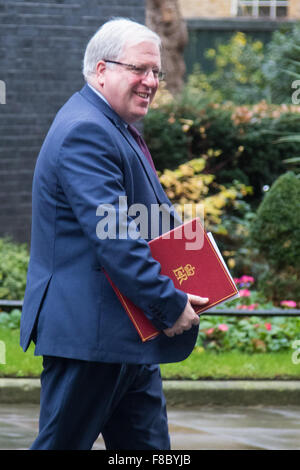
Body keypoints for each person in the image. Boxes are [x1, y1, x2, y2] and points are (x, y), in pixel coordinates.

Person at [20, 18, 209, 450]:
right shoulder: (86, 130)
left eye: (156, 72)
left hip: (124, 333)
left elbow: (147, 220)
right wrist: (168, 301)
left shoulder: (112, 125)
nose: (151, 82)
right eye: (139, 69)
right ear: (101, 70)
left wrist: (198, 272)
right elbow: (116, 238)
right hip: (92, 337)